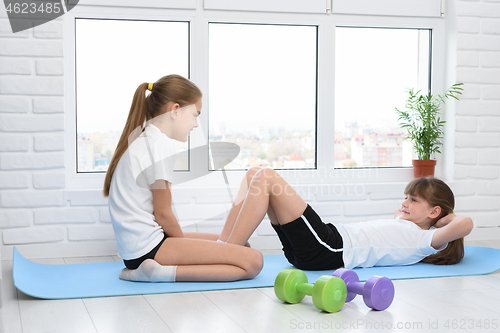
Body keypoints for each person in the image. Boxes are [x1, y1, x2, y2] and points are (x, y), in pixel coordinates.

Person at [103, 74, 263, 282]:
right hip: (147, 249)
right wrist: (184, 247)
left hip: (139, 248)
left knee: (240, 246)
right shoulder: (160, 145)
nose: (196, 124)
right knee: (253, 261)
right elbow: (163, 213)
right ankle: (155, 273)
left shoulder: (148, 139)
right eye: (195, 115)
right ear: (175, 110)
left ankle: (147, 270)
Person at [218, 167, 473, 270]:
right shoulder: (404, 221)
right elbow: (403, 213)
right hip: (323, 244)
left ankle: (228, 253)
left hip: (330, 248)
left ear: (435, 212)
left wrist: (444, 221)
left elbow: (466, 224)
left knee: (266, 177)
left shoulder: (427, 238)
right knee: (255, 174)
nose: (404, 203)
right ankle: (222, 244)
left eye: (414, 200)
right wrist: (414, 212)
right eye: (406, 197)